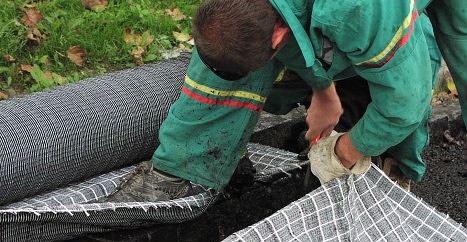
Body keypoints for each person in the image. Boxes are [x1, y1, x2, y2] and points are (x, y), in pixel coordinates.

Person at [111, 0, 465, 202]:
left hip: (376, 12)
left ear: (278, 32)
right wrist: (323, 92)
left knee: (442, 52)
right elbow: (291, 21)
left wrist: (346, 152)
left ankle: (391, 163)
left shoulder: (357, 8)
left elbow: (406, 99)